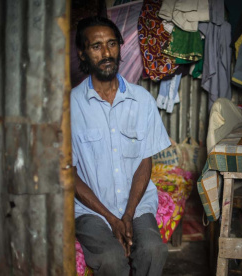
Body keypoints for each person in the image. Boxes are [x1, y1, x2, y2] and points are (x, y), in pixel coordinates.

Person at [71, 16, 171, 276]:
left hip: (136, 206)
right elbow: (68, 175)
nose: (106, 53)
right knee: (110, 259)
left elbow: (144, 162)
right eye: (96, 46)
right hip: (91, 210)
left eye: (112, 44)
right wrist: (111, 218)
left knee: (153, 250)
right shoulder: (70, 107)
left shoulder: (142, 100)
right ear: (82, 54)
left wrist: (127, 215)